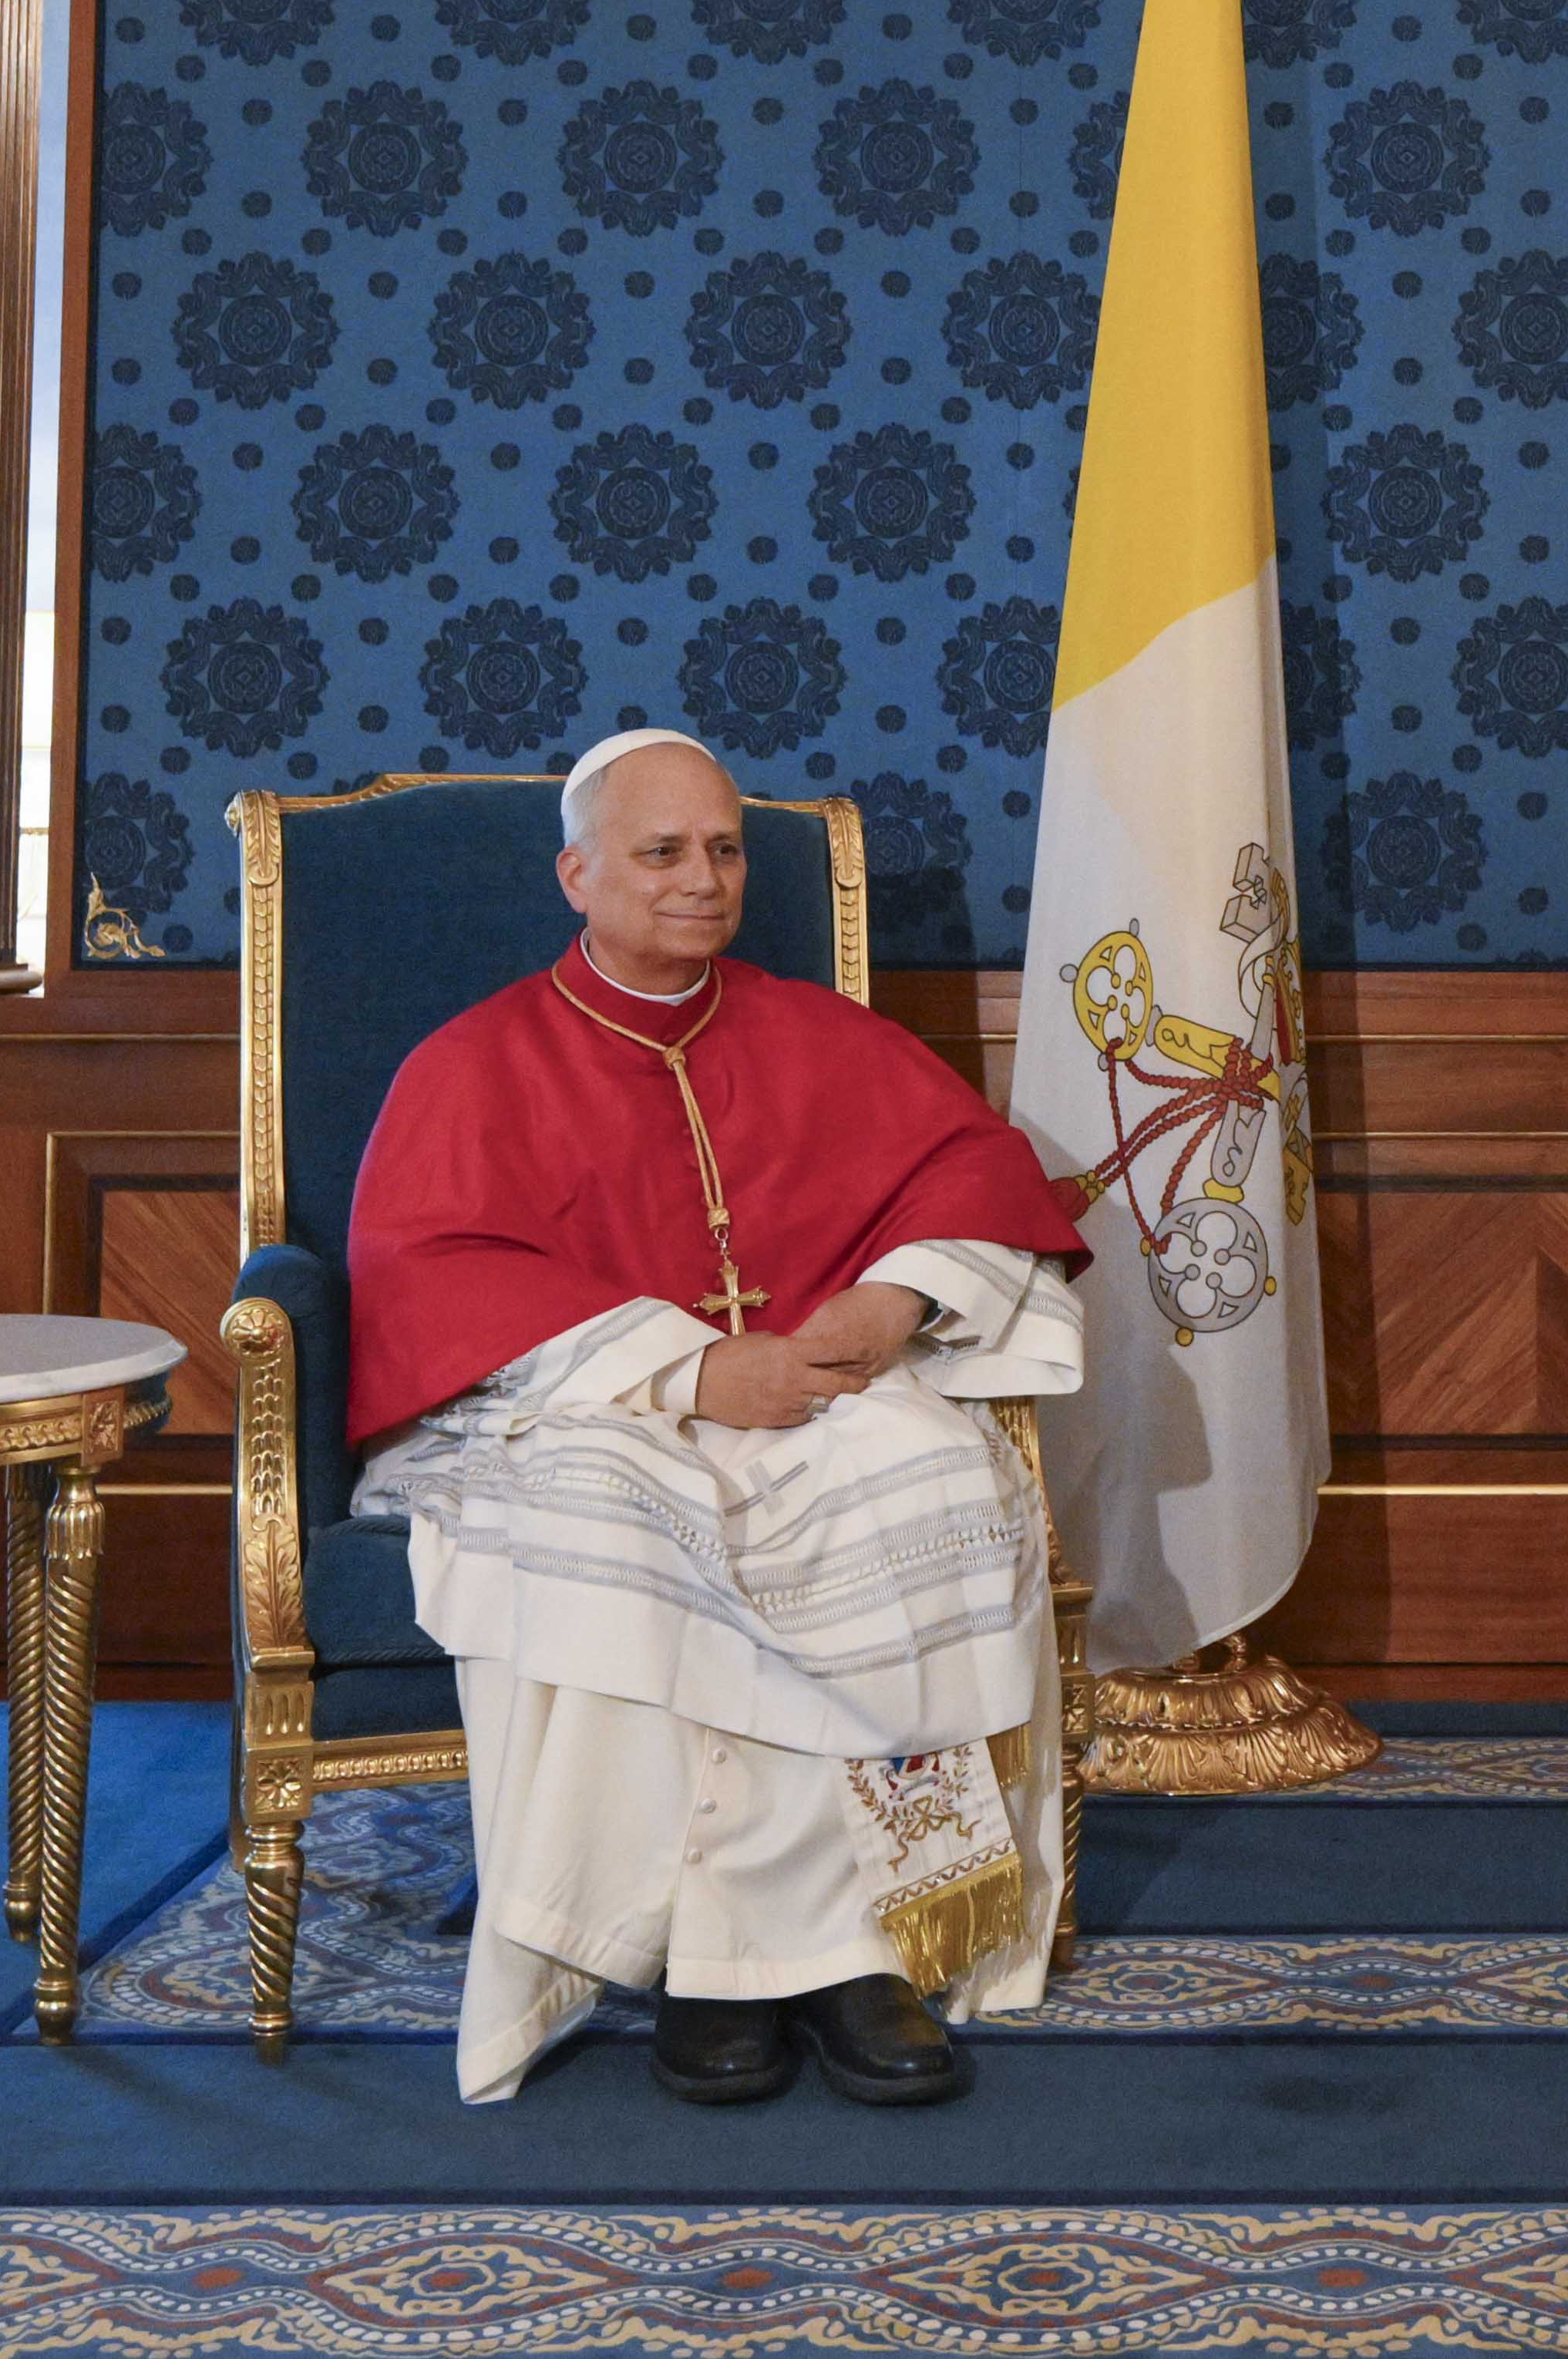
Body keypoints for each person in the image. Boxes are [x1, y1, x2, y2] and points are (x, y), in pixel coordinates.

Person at [345, 728, 1090, 2109]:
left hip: (812, 1389)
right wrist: (688, 1375)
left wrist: (896, 1303)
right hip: (589, 1406)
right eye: (663, 850)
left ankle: (859, 1948)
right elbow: (431, 1276)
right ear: (578, 874)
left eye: (727, 849)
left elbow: (976, 1174)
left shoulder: (816, 1034)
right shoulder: (475, 1063)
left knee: (938, 1475)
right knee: (618, 1531)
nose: (704, 878)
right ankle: (702, 1963)